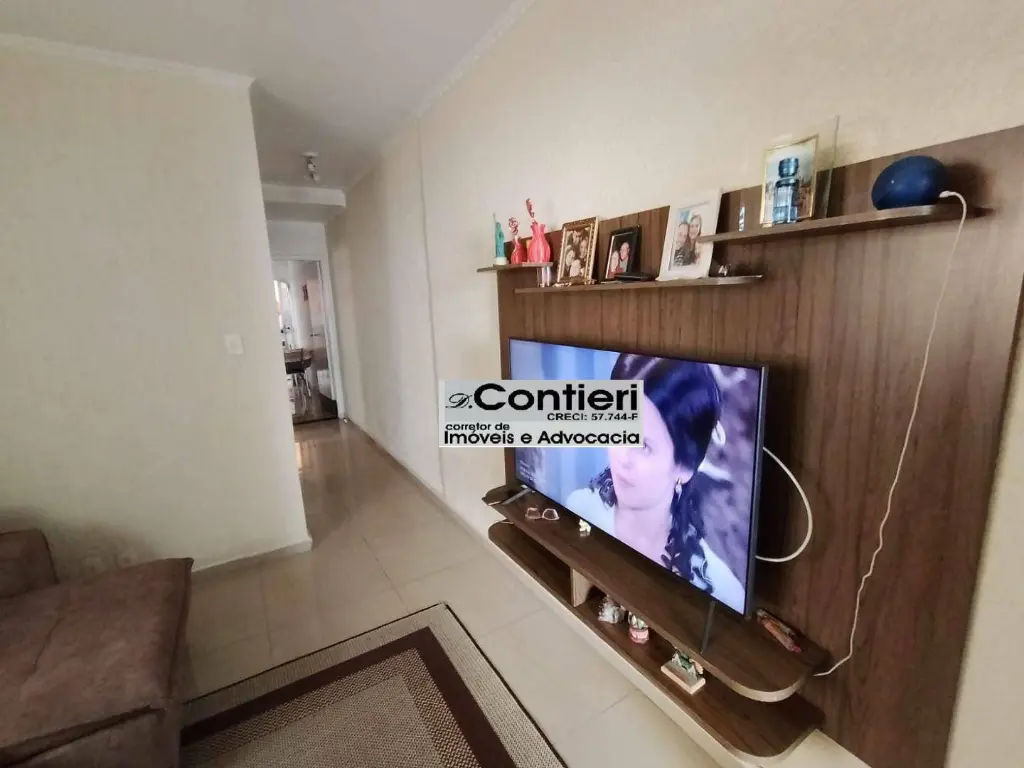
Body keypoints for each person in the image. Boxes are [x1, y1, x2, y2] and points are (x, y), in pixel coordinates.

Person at [566, 354, 744, 611]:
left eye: (643, 446)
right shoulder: (580, 507)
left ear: (684, 467)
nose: (623, 456)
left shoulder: (723, 592)